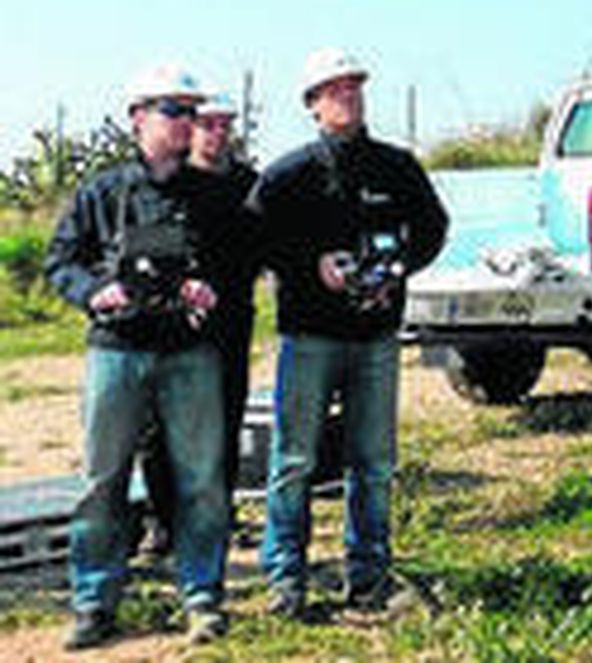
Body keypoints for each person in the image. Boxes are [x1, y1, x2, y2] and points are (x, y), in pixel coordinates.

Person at [248, 48, 448, 618]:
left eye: (354, 86)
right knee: (294, 460)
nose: (348, 96)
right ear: (312, 104)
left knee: (374, 461)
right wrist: (310, 266)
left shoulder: (397, 167)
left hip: (374, 337)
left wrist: (398, 268)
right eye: (334, 89)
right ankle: (286, 581)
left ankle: (369, 577)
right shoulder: (288, 175)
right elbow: (255, 238)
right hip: (309, 336)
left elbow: (433, 227)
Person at [44, 63, 237, 650]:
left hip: (189, 354)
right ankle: (94, 602)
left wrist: (210, 289)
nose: (188, 122)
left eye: (192, 112)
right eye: (174, 111)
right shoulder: (102, 193)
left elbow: (235, 265)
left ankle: (203, 597)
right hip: (117, 352)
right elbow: (59, 262)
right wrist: (93, 291)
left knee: (201, 480)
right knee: (103, 480)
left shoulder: (213, 197)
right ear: (138, 118)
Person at [139, 91, 259, 545]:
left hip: (231, 319)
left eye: (226, 124)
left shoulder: (251, 185)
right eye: (209, 123)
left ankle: (218, 514)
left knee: (225, 417)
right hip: (172, 319)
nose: (217, 132)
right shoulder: (170, 182)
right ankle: (162, 520)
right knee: (160, 422)